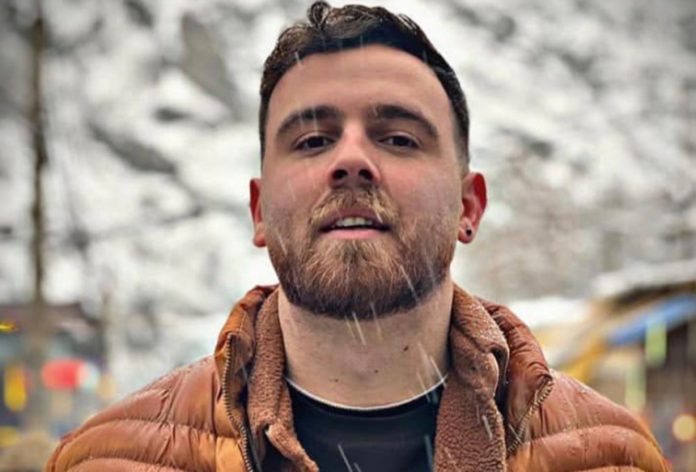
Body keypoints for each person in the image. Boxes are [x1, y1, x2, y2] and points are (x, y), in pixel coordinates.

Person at [45, 2, 670, 471]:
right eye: (312, 140)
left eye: (398, 138)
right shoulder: (109, 459)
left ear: (468, 206)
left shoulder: (612, 458)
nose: (351, 161)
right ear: (259, 211)